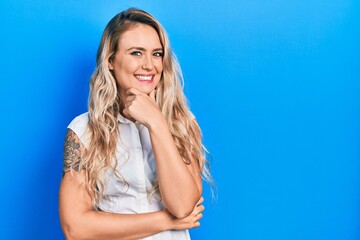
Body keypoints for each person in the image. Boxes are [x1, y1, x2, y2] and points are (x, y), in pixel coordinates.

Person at [59, 7, 212, 240]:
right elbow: (75, 228)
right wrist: (165, 220)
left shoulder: (182, 122)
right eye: (136, 53)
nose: (149, 65)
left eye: (157, 54)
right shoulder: (83, 131)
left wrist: (156, 122)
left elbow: (182, 205)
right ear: (111, 60)